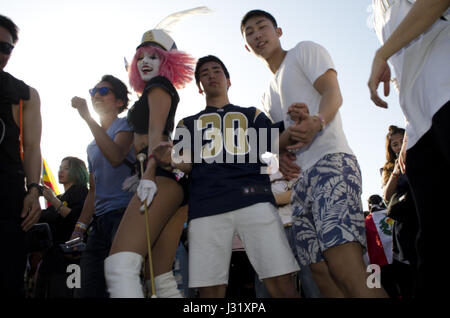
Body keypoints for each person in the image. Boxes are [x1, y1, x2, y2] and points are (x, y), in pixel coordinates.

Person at [241, 9, 388, 297]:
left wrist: (317, 121)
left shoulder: (304, 52)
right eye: (249, 32)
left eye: (262, 27)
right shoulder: (266, 93)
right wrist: (280, 152)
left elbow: (333, 92)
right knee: (322, 274)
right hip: (300, 185)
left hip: (331, 163)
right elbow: (280, 141)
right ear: (246, 46)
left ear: (278, 31)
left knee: (346, 268)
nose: (257, 34)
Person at [154, 55, 301, 298]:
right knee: (210, 292)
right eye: (204, 73)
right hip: (207, 206)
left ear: (228, 80)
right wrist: (169, 159)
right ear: (199, 86)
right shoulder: (187, 123)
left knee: (281, 285)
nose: (211, 75)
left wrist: (299, 124)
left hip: (255, 202)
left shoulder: (252, 114)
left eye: (217, 70)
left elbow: (275, 141)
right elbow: (185, 162)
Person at [104, 28, 195, 298]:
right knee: (159, 278)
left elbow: (157, 137)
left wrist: (150, 174)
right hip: (168, 182)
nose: (145, 61)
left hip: (159, 177)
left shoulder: (159, 86)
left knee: (120, 267)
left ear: (168, 62)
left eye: (154, 56)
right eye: (140, 56)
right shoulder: (152, 90)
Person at [368, 0, 450, 296]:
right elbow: (405, 71)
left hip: (446, 93)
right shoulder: (380, 13)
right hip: (420, 128)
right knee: (431, 243)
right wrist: (409, 128)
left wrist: (382, 52)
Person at [70, 74, 135, 298]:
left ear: (119, 102)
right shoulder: (91, 146)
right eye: (94, 91)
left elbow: (116, 156)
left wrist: (88, 118)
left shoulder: (126, 125)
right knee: (88, 288)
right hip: (100, 223)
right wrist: (79, 228)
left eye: (104, 91)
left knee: (121, 283)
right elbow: (93, 190)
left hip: (125, 216)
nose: (96, 95)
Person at [0, 14, 42, 297]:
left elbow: (33, 146)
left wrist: (33, 190)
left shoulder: (24, 94)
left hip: (7, 201)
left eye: (6, 47)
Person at [34, 157, 89, 298]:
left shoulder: (82, 192)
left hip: (70, 261)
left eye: (66, 168)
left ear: (77, 171)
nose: (60, 171)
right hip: (50, 260)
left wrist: (53, 200)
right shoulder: (59, 197)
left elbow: (76, 219)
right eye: (60, 167)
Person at [381, 125, 418, 297]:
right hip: (405, 224)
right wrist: (396, 170)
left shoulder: (421, 152)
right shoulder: (388, 167)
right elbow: (387, 196)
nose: (398, 146)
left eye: (401, 141)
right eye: (394, 144)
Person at [364, 194, 398, 298]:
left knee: (389, 292)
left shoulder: (366, 221)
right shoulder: (391, 214)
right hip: (397, 258)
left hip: (379, 264)